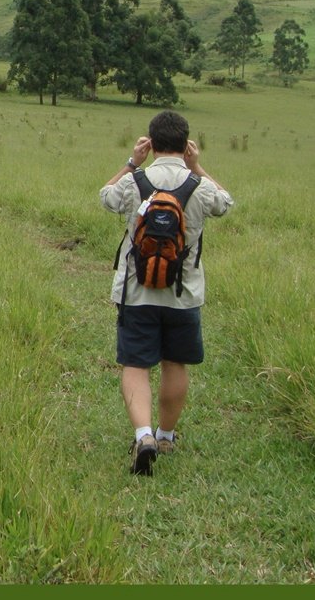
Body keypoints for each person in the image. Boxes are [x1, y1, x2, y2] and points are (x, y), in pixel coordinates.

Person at [100, 111, 233, 476]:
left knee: (136, 365)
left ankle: (142, 435)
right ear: (186, 145)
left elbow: (105, 197)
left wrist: (132, 162)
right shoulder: (198, 185)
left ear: (152, 142)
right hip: (183, 294)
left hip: (137, 292)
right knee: (175, 364)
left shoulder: (136, 181)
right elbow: (225, 202)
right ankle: (166, 436)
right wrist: (198, 166)